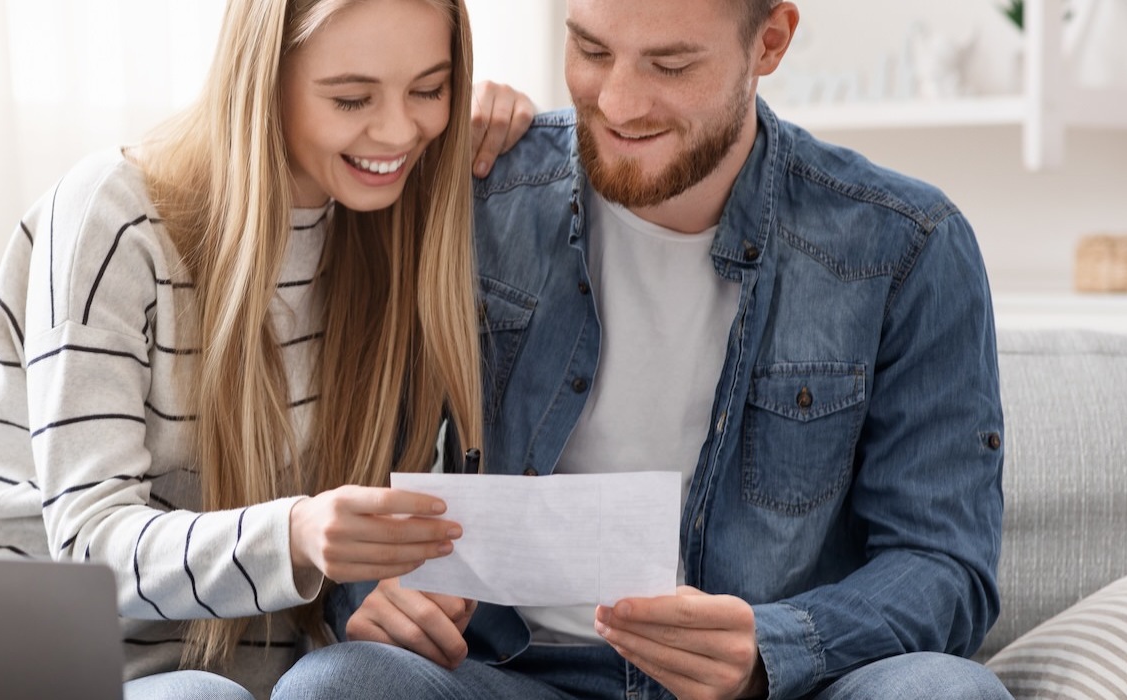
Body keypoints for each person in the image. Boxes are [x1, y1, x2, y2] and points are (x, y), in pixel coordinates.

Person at [273, 1, 1010, 699]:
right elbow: (348, 477)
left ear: (771, 42)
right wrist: (376, 598)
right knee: (333, 686)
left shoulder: (906, 245)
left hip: (784, 684)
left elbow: (943, 567)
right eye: (591, 50)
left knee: (950, 692)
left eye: (671, 65)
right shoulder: (477, 196)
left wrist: (771, 647)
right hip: (512, 674)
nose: (619, 103)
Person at [0, 1, 534, 698]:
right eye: (351, 97)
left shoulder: (397, 238)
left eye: (429, 89)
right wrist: (298, 535)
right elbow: (90, 549)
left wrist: (378, 594)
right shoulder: (115, 217)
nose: (401, 129)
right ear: (262, 79)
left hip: (215, 676)